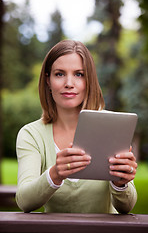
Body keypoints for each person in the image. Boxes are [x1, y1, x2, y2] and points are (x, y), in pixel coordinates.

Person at [16, 39, 137, 213]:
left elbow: (126, 207)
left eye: (79, 74)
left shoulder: (111, 126)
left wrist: (120, 182)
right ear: (48, 80)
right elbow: (24, 201)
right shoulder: (31, 134)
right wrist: (55, 174)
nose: (69, 83)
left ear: (89, 81)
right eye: (59, 74)